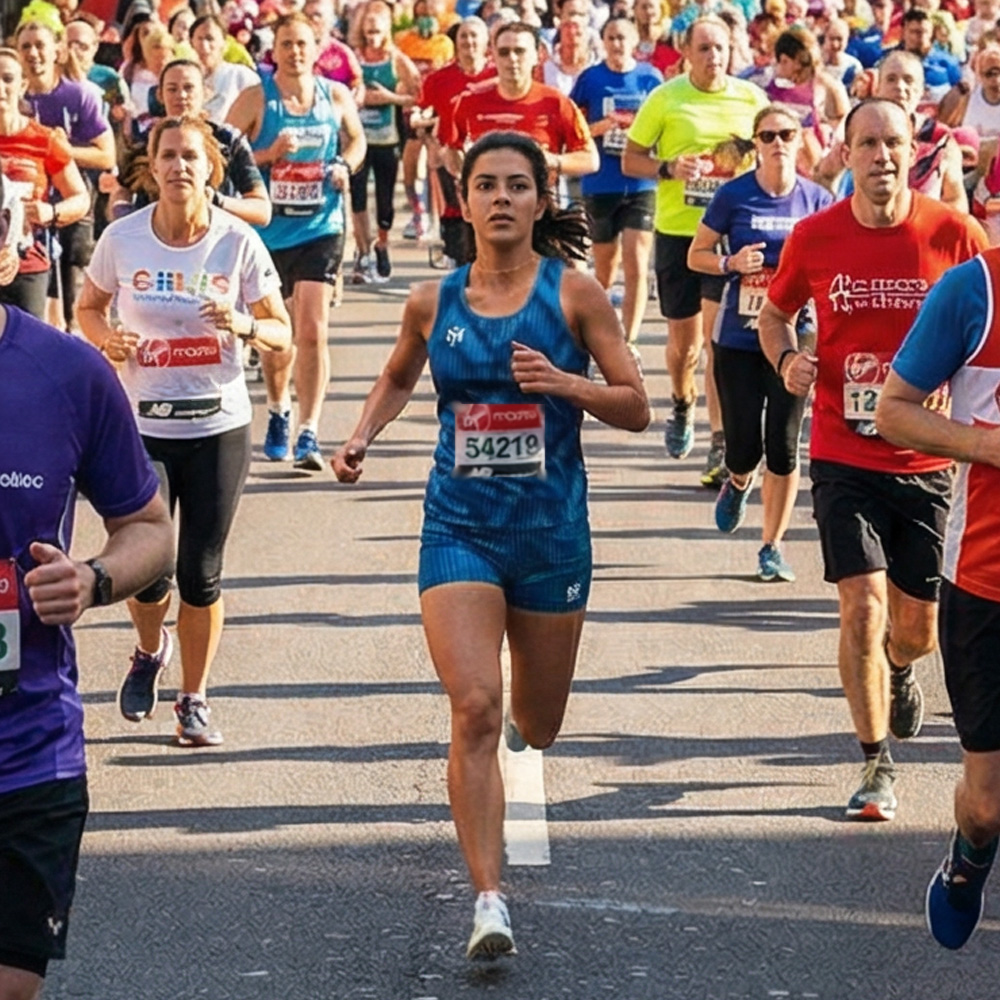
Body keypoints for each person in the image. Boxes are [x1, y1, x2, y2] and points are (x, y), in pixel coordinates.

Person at [332, 131, 649, 959]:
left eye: (517, 185)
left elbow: (636, 404)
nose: (501, 197)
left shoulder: (575, 294)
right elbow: (401, 373)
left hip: (550, 534)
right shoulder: (433, 301)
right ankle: (488, 899)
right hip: (459, 527)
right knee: (475, 705)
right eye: (486, 185)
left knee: (536, 726)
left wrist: (567, 383)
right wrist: (362, 432)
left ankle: (523, 737)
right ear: (463, 201)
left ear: (542, 202)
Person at [758, 98, 988, 821]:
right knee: (861, 603)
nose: (881, 156)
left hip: (927, 464)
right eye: (867, 144)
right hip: (841, 448)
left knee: (916, 629)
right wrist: (789, 356)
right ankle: (875, 761)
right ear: (845, 152)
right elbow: (773, 311)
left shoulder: (954, 234)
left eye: (893, 143)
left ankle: (898, 668)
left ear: (912, 149)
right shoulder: (815, 235)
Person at [0, 168, 174, 999]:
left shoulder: (69, 374)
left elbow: (148, 528)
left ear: (12, 250)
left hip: (26, 751)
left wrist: (95, 580)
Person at [75, 114, 292, 747]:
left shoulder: (237, 242)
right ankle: (149, 651)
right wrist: (106, 339)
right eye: (167, 156)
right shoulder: (123, 239)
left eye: (191, 157)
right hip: (142, 425)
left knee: (201, 573)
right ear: (151, 167)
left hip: (219, 424)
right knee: (148, 571)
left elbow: (281, 331)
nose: (179, 168)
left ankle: (193, 698)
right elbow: (89, 307)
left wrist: (243, 327)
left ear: (210, 169)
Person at [876, 241, 1000, 951]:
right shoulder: (973, 289)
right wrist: (985, 447)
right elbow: (894, 412)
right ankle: (967, 860)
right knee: (986, 806)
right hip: (985, 580)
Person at [688, 104, 831, 581]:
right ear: (756, 143)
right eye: (767, 136)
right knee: (745, 445)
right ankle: (738, 478)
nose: (776, 143)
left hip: (796, 333)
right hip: (739, 336)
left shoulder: (816, 198)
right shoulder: (733, 196)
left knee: (785, 446)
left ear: (799, 138)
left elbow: (837, 263)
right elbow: (697, 255)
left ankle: (772, 546)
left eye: (785, 134)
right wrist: (732, 264)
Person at [623, 14, 766, 488]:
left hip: (729, 237)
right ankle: (682, 404)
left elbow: (773, 153)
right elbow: (630, 158)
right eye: (703, 48)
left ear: (732, 50)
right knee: (683, 349)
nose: (713, 57)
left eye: (720, 48)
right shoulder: (665, 98)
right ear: (687, 52)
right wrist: (668, 168)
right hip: (679, 233)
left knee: (714, 343)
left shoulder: (751, 99)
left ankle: (720, 441)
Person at [227, 11, 366, 471]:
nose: (295, 52)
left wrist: (344, 166)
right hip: (269, 231)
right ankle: (278, 410)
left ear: (317, 46)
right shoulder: (256, 98)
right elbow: (223, 153)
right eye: (286, 44)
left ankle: (309, 430)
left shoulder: (336, 95)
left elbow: (357, 141)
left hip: (321, 227)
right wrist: (268, 156)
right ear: (275, 49)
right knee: (278, 336)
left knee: (311, 329)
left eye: (303, 43)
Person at [17, 18, 116, 331]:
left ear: (57, 50)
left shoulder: (78, 95)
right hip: (24, 214)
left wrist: (58, 150)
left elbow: (107, 154)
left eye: (40, 45)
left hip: (71, 206)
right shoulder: (11, 101)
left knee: (71, 295)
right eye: (25, 47)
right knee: (35, 306)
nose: (33, 53)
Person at [570, 16, 662, 345]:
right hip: (601, 182)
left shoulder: (650, 78)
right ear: (603, 41)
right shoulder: (591, 79)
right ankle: (596, 328)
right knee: (605, 270)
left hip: (641, 182)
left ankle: (629, 342)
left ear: (635, 41)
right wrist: (602, 127)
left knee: (637, 259)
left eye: (623, 37)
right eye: (611, 37)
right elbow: (573, 126)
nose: (617, 44)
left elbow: (662, 127)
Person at [113, 58, 271, 229]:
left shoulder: (227, 141)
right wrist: (125, 214)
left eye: (189, 88)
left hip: (214, 242)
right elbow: (121, 190)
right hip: (153, 243)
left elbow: (262, 210)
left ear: (206, 92)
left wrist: (216, 201)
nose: (181, 95)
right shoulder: (144, 142)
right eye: (172, 89)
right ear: (160, 95)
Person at [441, 22, 599, 184]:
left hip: (539, 203)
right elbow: (451, 151)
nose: (512, 59)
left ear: (538, 56)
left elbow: (590, 160)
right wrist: (467, 175)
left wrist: (551, 160)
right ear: (493, 56)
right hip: (488, 205)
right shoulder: (468, 101)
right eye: (504, 52)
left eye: (520, 51)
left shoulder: (556, 102)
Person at [0, 47, 89, 320]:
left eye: (7, 78)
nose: (0, 87)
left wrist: (50, 212)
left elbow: (80, 198)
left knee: (26, 354)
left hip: (27, 265)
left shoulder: (45, 139)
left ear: (23, 84)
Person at [348, 0, 421, 283]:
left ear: (386, 29)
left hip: (386, 139)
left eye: (377, 31)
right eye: (368, 31)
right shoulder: (354, 56)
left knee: (385, 197)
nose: (372, 37)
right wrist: (358, 98)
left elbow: (417, 95)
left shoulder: (396, 58)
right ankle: (362, 250)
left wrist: (389, 99)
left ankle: (382, 244)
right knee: (357, 197)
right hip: (357, 139)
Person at [190, 14, 260, 123]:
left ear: (223, 41)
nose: (204, 45)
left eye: (210, 39)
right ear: (192, 42)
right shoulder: (185, 77)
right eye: (199, 39)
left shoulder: (240, 75)